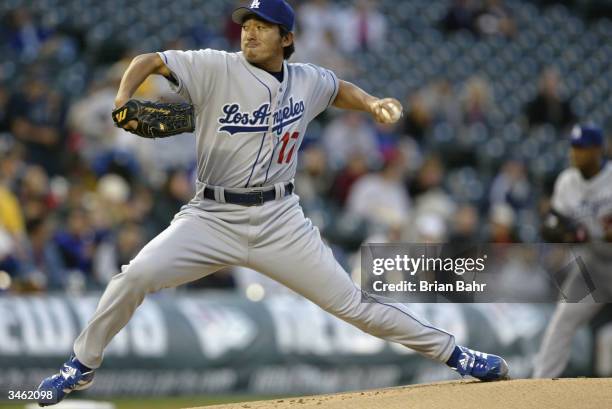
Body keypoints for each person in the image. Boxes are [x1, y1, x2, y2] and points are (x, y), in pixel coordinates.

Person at [37, 1, 508, 406]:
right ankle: (80, 365)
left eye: (261, 26)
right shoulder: (215, 66)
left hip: (280, 219)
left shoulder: (306, 79)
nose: (250, 31)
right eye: (246, 24)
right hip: (211, 216)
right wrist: (123, 96)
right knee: (134, 275)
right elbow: (150, 60)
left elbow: (337, 87)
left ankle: (456, 354)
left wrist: (371, 103)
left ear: (287, 38)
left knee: (354, 304)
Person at [533, 124, 612, 378]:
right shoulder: (567, 181)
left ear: (599, 149)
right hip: (594, 264)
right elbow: (552, 225)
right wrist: (567, 233)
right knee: (562, 320)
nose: (576, 153)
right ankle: (537, 387)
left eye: (583, 148)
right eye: (574, 148)